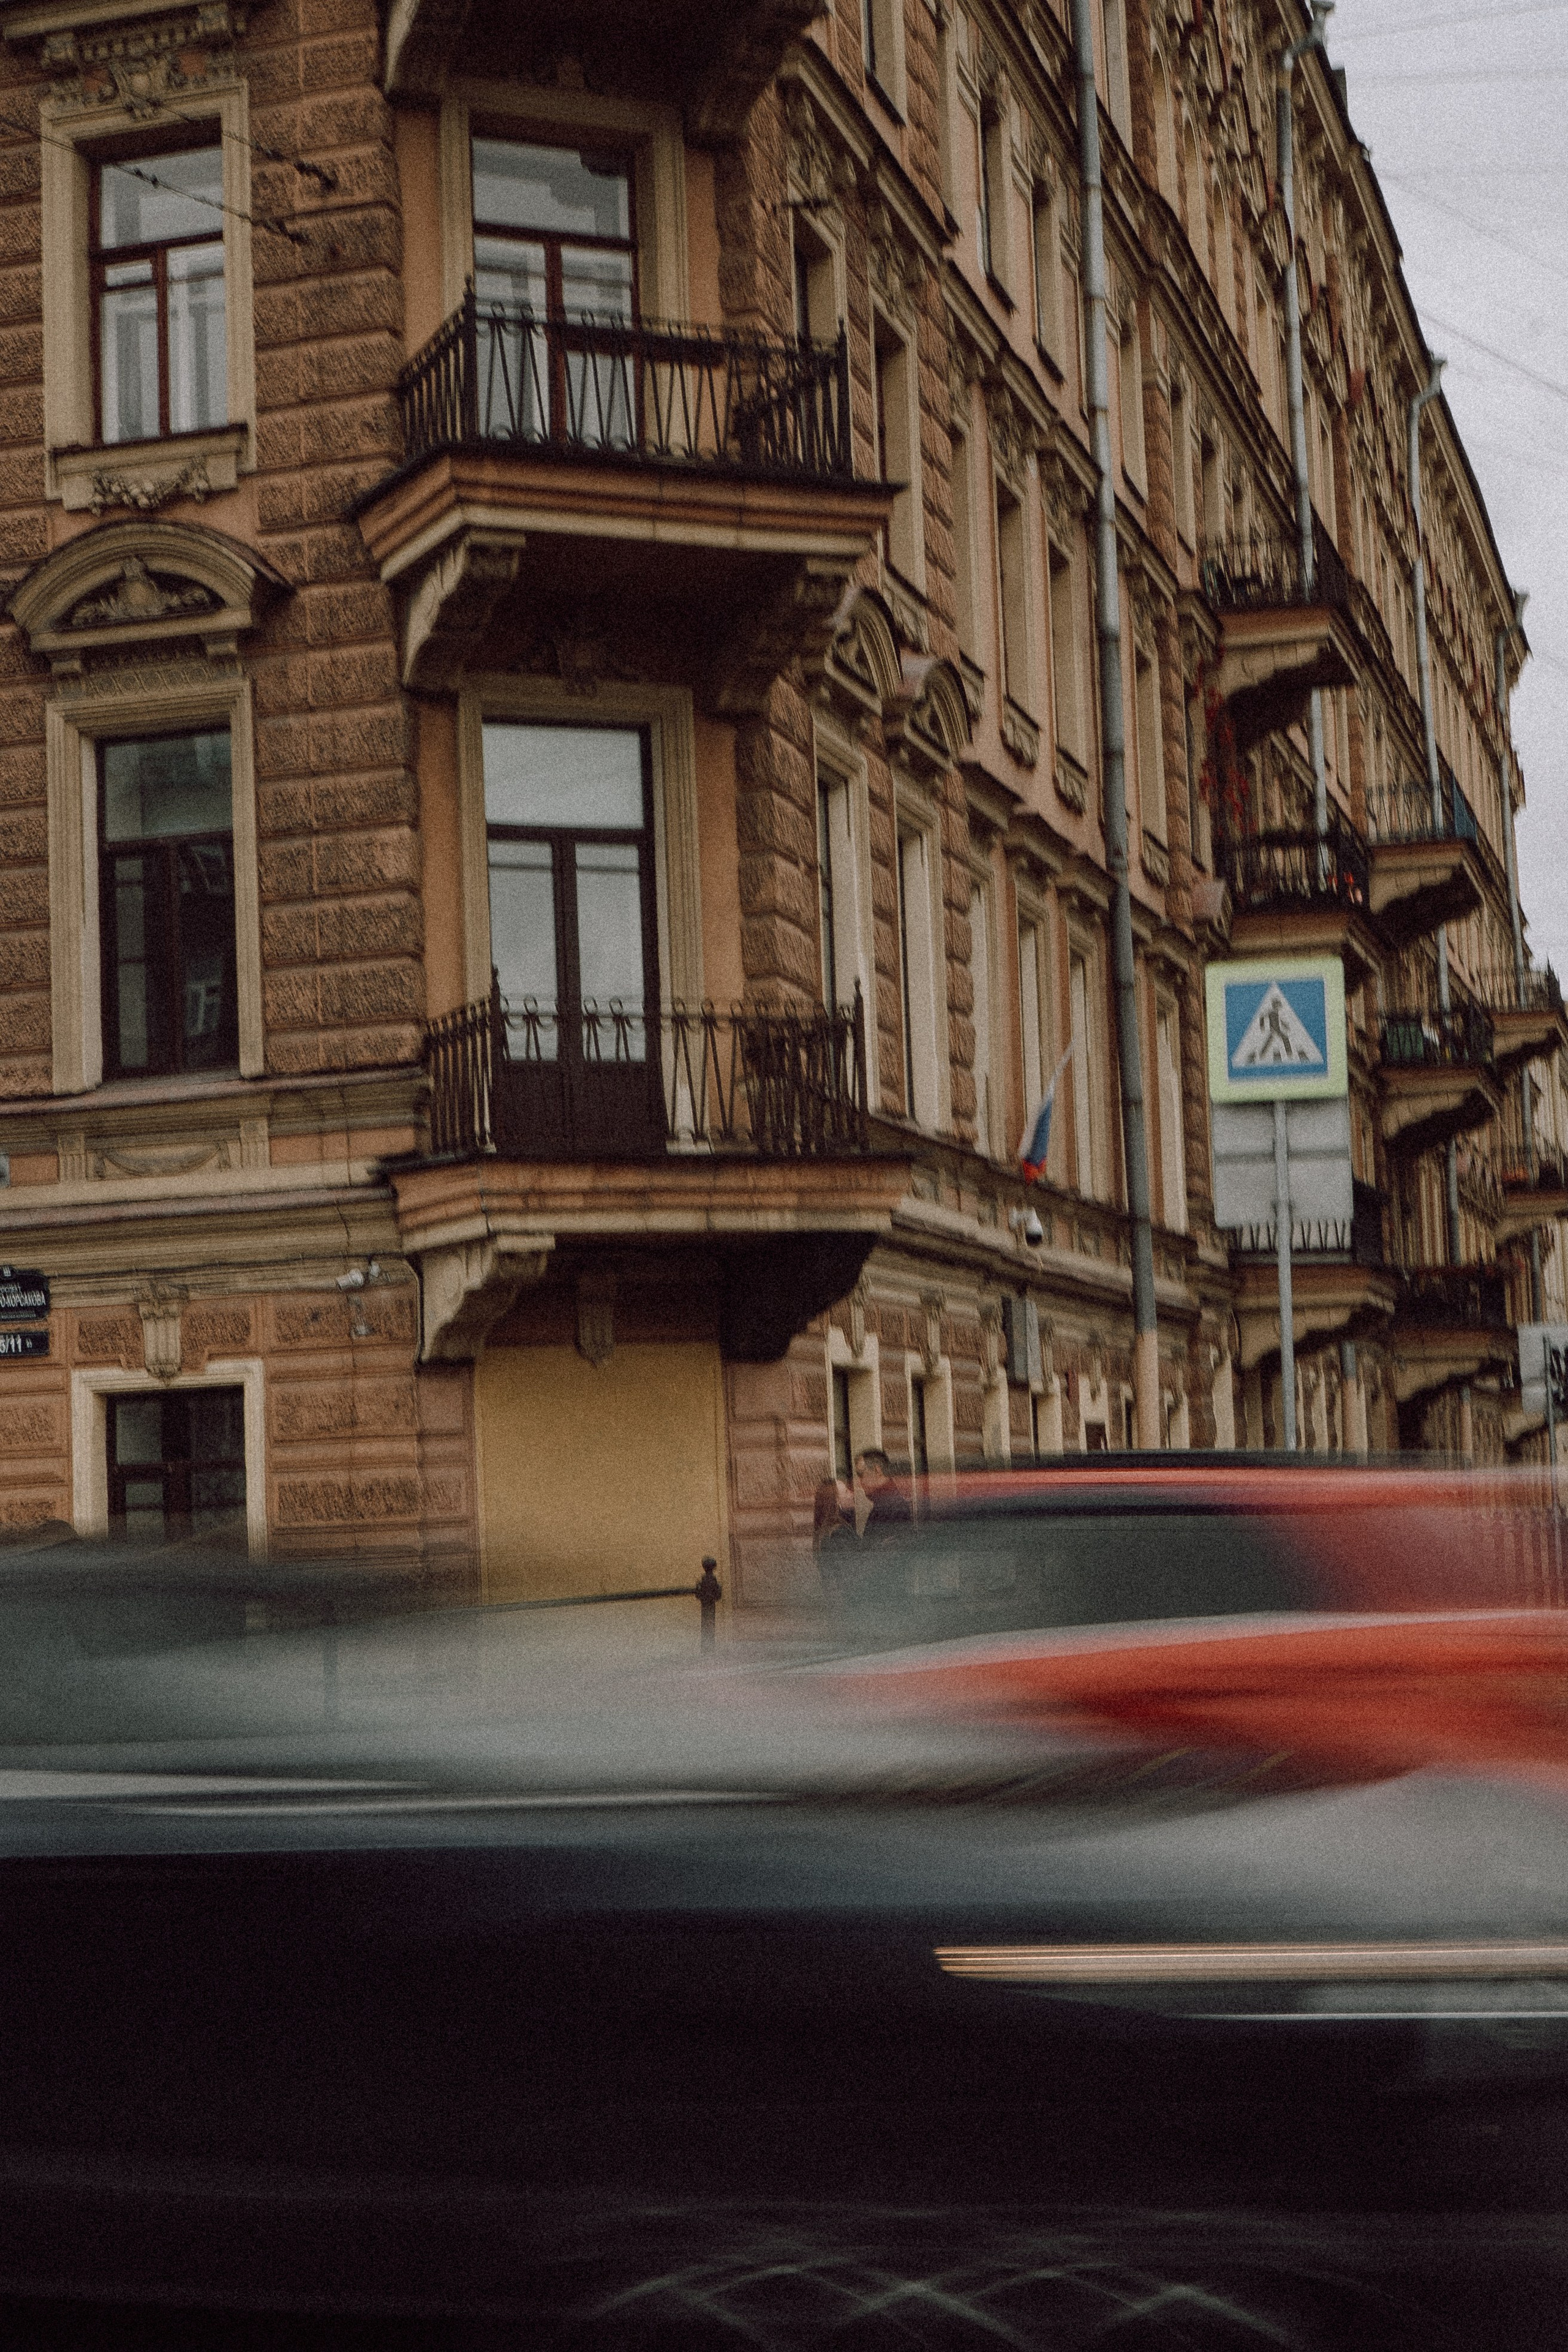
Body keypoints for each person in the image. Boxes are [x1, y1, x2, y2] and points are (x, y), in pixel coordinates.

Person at [854, 1449, 912, 1547]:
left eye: (861, 1475)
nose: (860, 1482)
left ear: (878, 1470)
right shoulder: (887, 1502)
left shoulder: (889, 1506)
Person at [812, 1476, 858, 1596]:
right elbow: (851, 1574)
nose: (852, 1494)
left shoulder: (829, 1529)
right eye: (847, 1491)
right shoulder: (838, 1533)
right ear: (837, 1501)